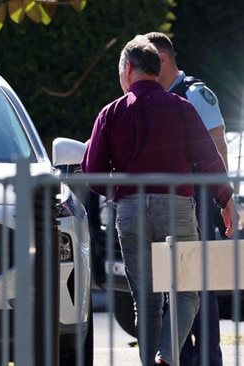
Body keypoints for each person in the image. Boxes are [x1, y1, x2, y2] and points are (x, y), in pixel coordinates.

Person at [81, 35, 236, 366]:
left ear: (128, 69)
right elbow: (210, 160)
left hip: (129, 212)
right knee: (188, 293)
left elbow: (92, 173)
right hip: (178, 208)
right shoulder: (182, 108)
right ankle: (168, 354)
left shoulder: (110, 113)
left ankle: (152, 361)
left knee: (146, 301)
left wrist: (119, 193)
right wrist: (226, 200)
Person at [145, 31, 227, 366]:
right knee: (171, 287)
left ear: (161, 59)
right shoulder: (155, 98)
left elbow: (218, 147)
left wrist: (223, 200)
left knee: (199, 287)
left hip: (198, 203)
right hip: (169, 205)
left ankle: (207, 358)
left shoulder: (194, 93)